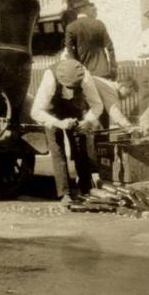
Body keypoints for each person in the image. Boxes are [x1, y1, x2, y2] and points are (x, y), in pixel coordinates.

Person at [30, 59, 104, 203]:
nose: (70, 91)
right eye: (67, 87)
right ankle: (64, 193)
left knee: (80, 146)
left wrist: (87, 120)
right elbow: (36, 111)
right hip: (51, 111)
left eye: (74, 87)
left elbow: (97, 105)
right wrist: (58, 123)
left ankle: (86, 189)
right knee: (57, 148)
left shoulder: (85, 76)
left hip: (74, 108)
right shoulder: (50, 76)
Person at [64, 0, 118, 79]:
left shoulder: (71, 27)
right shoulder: (99, 24)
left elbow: (70, 52)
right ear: (84, 8)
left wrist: (77, 70)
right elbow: (110, 47)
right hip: (102, 71)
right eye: (89, 7)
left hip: (84, 74)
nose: (91, 9)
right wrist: (113, 67)